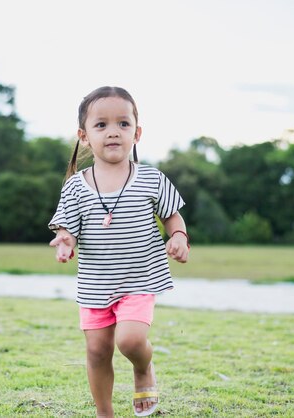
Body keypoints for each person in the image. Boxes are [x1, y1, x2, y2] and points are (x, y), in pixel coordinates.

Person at [48, 86, 189, 417]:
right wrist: (66, 241)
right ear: (84, 136)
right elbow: (66, 227)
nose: (113, 131)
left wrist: (179, 237)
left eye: (123, 124)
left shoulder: (151, 179)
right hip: (95, 283)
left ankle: (142, 368)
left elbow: (172, 215)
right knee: (97, 350)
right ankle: (104, 412)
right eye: (101, 125)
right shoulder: (75, 187)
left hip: (140, 279)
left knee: (129, 340)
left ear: (136, 133)